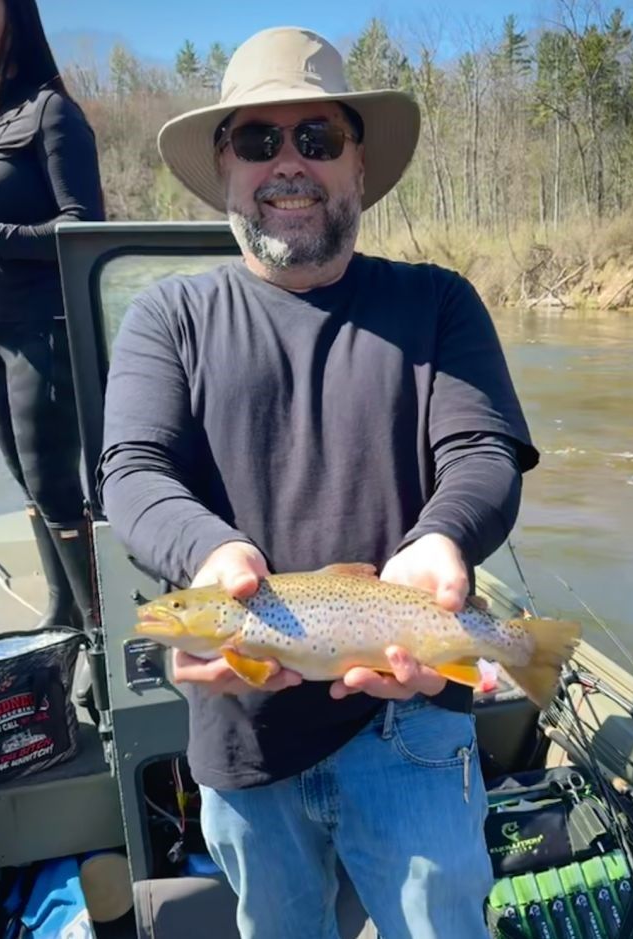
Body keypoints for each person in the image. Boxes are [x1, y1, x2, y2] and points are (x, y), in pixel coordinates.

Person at [99, 25, 539, 939]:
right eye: (257, 140)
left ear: (358, 163)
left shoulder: (439, 302)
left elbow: (483, 454)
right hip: (242, 730)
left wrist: (440, 539)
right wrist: (211, 553)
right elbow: (132, 474)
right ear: (223, 168)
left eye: (317, 139)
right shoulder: (167, 316)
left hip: (413, 722)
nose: (287, 163)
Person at [0, 0, 105, 632]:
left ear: (15, 17)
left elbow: (82, 229)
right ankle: (62, 614)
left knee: (54, 487)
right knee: (26, 483)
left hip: (41, 328)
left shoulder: (51, 113)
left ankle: (99, 628)